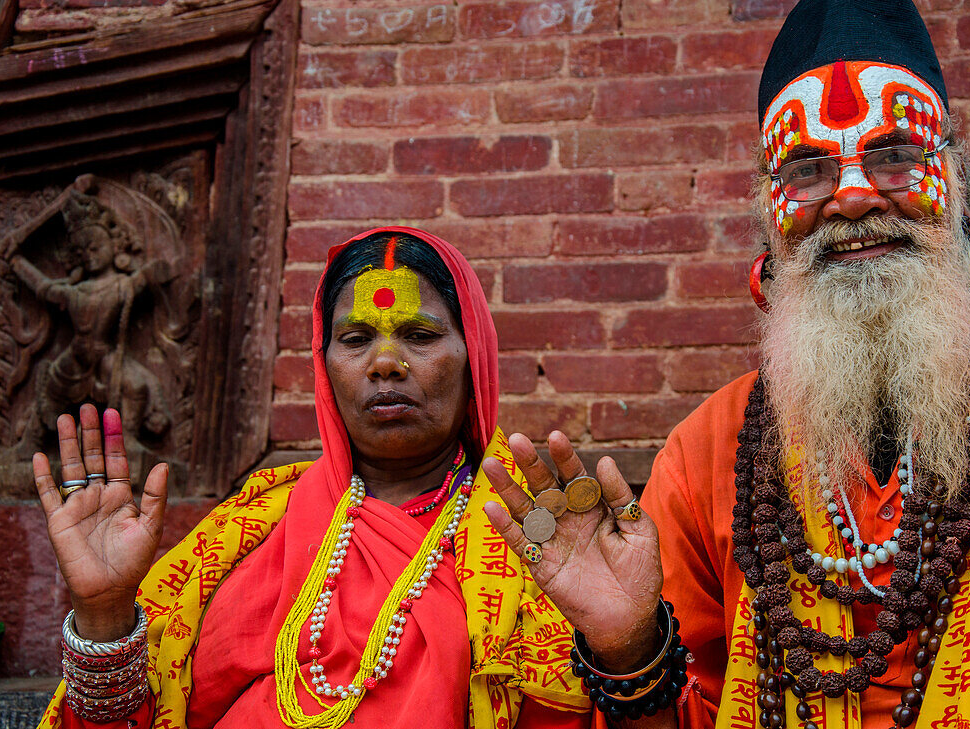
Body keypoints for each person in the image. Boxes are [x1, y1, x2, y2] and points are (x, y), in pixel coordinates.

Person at [483, 1, 970, 728]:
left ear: (957, 185)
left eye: (894, 156)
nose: (854, 198)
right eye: (808, 170)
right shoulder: (708, 454)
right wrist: (629, 645)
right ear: (771, 214)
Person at [33, 227, 590, 728]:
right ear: (323, 367)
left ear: (477, 360)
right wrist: (104, 616)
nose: (386, 362)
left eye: (420, 335)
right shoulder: (250, 524)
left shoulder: (541, 531)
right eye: (355, 339)